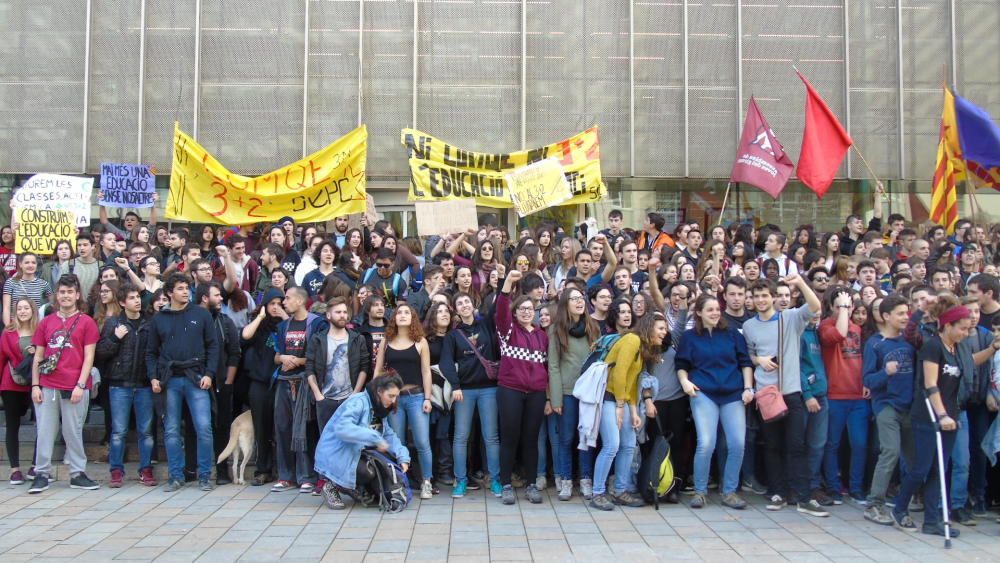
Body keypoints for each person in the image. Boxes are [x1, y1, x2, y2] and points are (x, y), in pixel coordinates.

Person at [743, 275, 828, 517]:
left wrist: (800, 282)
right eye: (756, 296)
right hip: (766, 393)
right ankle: (777, 492)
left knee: (796, 445)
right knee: (772, 446)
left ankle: (803, 496)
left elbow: (815, 307)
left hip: (790, 391)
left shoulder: (790, 317)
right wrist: (759, 359)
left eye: (764, 295)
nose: (760, 300)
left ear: (773, 297)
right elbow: (747, 355)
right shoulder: (749, 326)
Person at [890, 295, 970, 537]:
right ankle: (899, 506)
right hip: (928, 415)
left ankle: (933, 521)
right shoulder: (932, 346)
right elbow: (930, 384)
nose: (966, 333)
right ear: (947, 325)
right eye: (962, 329)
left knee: (940, 468)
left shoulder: (958, 348)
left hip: (950, 416)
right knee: (922, 468)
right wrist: (942, 415)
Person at [676, 296, 754, 509]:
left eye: (717, 309)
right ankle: (700, 491)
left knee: (737, 443)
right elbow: (681, 363)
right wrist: (685, 382)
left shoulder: (731, 335)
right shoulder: (690, 337)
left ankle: (729, 491)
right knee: (706, 443)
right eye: (709, 309)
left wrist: (748, 388)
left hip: (732, 393)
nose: (715, 313)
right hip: (703, 393)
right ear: (699, 313)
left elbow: (745, 362)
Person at [145, 273, 220, 492]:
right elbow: (150, 352)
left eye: (187, 288)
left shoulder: (201, 314)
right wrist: (153, 377)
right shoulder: (159, 318)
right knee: (170, 430)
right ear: (169, 293)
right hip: (170, 379)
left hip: (196, 377)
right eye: (179, 288)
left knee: (204, 428)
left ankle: (205, 475)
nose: (185, 291)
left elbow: (213, 346)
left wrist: (209, 373)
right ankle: (175, 476)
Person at [28, 274, 101, 493]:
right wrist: (34, 385)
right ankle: (42, 472)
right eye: (62, 292)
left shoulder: (87, 322)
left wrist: (80, 385)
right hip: (48, 384)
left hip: (75, 386)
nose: (66, 296)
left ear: (77, 295)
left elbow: (89, 357)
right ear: (56, 296)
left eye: (70, 292)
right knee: (45, 430)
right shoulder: (46, 322)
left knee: (73, 430)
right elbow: (38, 357)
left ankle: (77, 472)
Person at [589, 312, 668, 511]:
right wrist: (620, 407)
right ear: (649, 327)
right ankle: (597, 492)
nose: (664, 333)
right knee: (612, 445)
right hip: (608, 397)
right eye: (660, 328)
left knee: (629, 444)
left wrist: (633, 411)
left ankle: (620, 490)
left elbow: (633, 383)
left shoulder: (642, 347)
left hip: (621, 400)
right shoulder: (632, 340)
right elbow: (619, 374)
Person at [315, 374, 411, 510]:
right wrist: (375, 438)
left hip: (355, 452)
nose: (394, 400)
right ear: (379, 392)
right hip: (336, 454)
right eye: (391, 396)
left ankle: (353, 486)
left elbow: (389, 435)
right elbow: (342, 428)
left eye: (396, 396)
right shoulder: (358, 402)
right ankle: (330, 485)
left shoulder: (379, 408)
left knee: (385, 465)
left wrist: (403, 456)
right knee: (368, 471)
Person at [440, 291, 502, 499]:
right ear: (455, 309)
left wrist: (503, 282)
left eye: (467, 301)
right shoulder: (453, 335)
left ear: (473, 304)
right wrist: (455, 385)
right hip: (464, 390)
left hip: (489, 389)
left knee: (491, 436)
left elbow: (497, 307)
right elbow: (446, 363)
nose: (464, 305)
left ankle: (495, 479)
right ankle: (461, 480)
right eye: (460, 303)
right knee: (460, 437)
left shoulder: (486, 325)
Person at [494, 270, 549, 505]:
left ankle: (531, 484)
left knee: (531, 438)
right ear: (515, 313)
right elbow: (501, 310)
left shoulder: (541, 336)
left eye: (530, 309)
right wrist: (507, 284)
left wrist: (547, 397)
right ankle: (506, 483)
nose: (526, 312)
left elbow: (546, 367)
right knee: (509, 437)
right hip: (511, 390)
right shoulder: (508, 331)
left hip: (535, 393)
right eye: (522, 309)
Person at [861, 294, 916, 524]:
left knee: (914, 460)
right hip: (886, 406)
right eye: (900, 313)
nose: (905, 317)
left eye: (907, 312)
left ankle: (904, 504)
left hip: (910, 408)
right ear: (886, 316)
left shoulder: (911, 341)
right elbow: (868, 380)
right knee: (890, 452)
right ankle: (874, 504)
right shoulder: (875, 343)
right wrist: (886, 372)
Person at [96, 283, 157, 487]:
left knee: (146, 430)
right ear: (122, 302)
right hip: (119, 384)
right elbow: (101, 352)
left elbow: (155, 353)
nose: (137, 301)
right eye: (131, 298)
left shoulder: (149, 323)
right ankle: (116, 470)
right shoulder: (113, 323)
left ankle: (146, 469)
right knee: (118, 431)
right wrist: (115, 337)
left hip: (144, 384)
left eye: (138, 297)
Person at [372, 302, 434, 500]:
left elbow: (426, 371)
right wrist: (376, 395)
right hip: (394, 400)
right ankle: (399, 480)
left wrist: (427, 397)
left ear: (413, 317)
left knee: (422, 441)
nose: (403, 315)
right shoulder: (386, 341)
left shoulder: (420, 341)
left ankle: (427, 481)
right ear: (394, 318)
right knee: (396, 441)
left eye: (407, 312)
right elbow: (378, 370)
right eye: (399, 313)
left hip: (416, 397)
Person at [271, 286, 328, 493]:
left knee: (303, 429)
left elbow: (320, 355)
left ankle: (307, 476)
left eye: (287, 298)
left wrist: (299, 361)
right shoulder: (282, 326)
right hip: (284, 381)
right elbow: (276, 354)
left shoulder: (317, 324)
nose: (283, 303)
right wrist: (283, 358)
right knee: (283, 428)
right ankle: (286, 476)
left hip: (304, 382)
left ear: (300, 301)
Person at [547, 287, 600, 501]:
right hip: (567, 392)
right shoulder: (556, 329)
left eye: (581, 298)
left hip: (589, 392)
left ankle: (586, 479)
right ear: (565, 304)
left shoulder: (593, 327)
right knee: (566, 438)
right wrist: (556, 397)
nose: (579, 302)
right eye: (573, 299)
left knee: (586, 436)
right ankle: (566, 480)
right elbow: (553, 366)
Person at [819, 287, 870, 505]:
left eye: (849, 306)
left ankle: (856, 487)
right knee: (832, 444)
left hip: (857, 395)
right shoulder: (824, 327)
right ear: (831, 307)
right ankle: (833, 487)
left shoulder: (857, 329)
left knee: (859, 444)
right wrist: (841, 310)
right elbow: (838, 335)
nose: (847, 311)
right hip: (834, 394)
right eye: (841, 306)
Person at [196, 281, 241, 486]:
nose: (221, 298)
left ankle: (222, 470)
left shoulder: (225, 322)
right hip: (195, 381)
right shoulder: (192, 320)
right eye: (217, 295)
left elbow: (234, 353)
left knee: (222, 426)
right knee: (195, 426)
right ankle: (192, 468)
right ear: (205, 298)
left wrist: (229, 381)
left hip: (222, 382)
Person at [241, 287, 286, 486]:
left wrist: (284, 315)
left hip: (281, 381)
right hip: (259, 382)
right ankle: (263, 469)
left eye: (279, 303)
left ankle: (283, 470)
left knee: (282, 427)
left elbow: (295, 332)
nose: (275, 308)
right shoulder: (259, 325)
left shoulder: (287, 324)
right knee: (261, 427)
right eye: (272, 304)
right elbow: (245, 336)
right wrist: (260, 317)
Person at [1, 297, 37, 485]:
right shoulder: (8, 332)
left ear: (32, 310)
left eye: (26, 308)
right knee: (12, 425)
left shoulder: (40, 330)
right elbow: (1, 358)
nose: (23, 311)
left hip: (36, 383)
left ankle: (35, 465)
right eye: (20, 309)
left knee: (43, 423)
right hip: (12, 382)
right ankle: (15, 469)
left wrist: (37, 351)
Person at [3, 253, 52, 326]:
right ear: (20, 264)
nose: (30, 265)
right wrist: (8, 327)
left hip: (35, 326)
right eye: (27, 262)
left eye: (33, 263)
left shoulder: (43, 284)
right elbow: (6, 308)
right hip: (16, 325)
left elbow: (53, 304)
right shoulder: (10, 282)